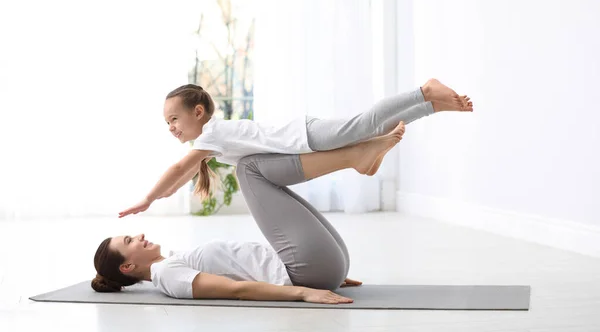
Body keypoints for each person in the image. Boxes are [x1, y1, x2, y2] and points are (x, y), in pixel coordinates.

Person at [93, 122, 406, 303]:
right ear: (128, 266)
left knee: (258, 173)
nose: (140, 235)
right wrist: (304, 293)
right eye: (130, 240)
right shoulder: (168, 276)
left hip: (317, 268)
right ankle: (354, 156)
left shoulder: (170, 262)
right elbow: (237, 289)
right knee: (249, 168)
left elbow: (245, 269)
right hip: (307, 273)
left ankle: (356, 156)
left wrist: (329, 270)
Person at [118, 79, 473, 218]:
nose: (171, 128)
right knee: (373, 129)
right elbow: (186, 172)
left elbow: (180, 170)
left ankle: (424, 91)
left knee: (365, 125)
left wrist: (149, 198)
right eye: (167, 123)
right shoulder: (212, 139)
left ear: (198, 112)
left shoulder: (211, 134)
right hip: (303, 138)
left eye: (174, 119)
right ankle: (432, 106)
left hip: (303, 136)